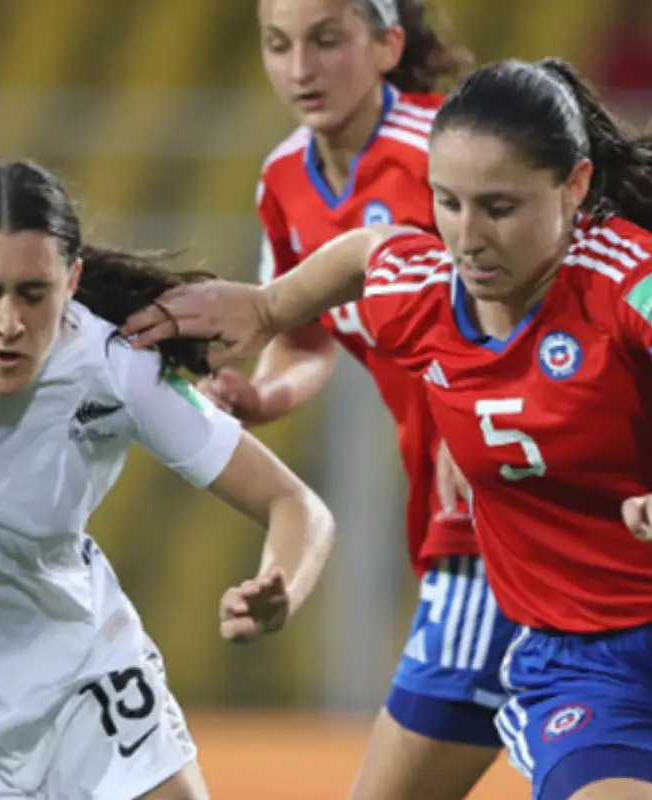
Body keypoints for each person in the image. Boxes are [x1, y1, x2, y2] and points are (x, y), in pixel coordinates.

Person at [124, 58, 652, 800]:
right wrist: (270, 307)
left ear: (575, 186)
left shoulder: (627, 280)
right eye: (447, 203)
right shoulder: (423, 287)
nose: (468, 239)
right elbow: (370, 252)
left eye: (500, 207)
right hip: (587, 667)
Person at [0, 158, 335, 800]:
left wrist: (282, 584)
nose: (9, 322)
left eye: (34, 293)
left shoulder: (114, 365)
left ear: (73, 280)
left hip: (82, 680)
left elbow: (294, 504)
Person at [225, 3, 511, 799]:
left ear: (388, 46)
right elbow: (306, 332)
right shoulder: (284, 180)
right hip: (455, 495)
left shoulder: (447, 153)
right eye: (278, 46)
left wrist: (482, 406)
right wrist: (262, 393)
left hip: (504, 496)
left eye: (326, 41)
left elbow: (543, 291)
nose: (300, 69)